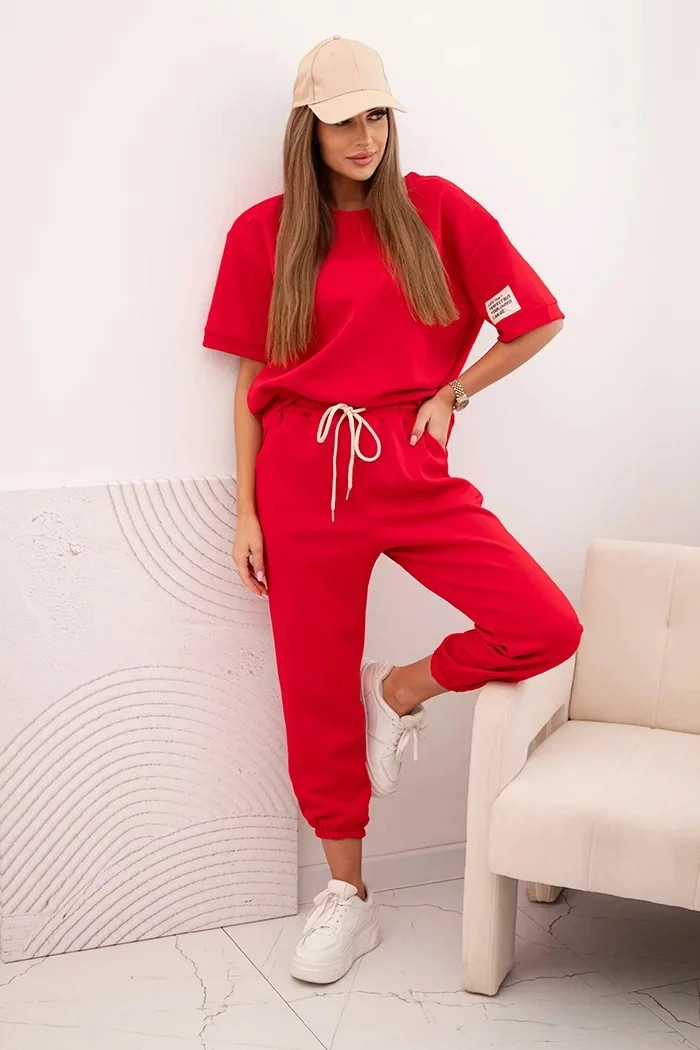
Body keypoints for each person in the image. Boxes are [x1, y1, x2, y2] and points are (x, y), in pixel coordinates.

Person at [202, 35, 583, 985]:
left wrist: (455, 392)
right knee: (313, 689)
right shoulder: (264, 233)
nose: (364, 136)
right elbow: (251, 378)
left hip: (407, 464)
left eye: (376, 115)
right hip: (303, 475)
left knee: (544, 624)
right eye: (343, 121)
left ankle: (398, 692)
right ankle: (348, 897)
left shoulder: (438, 212)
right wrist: (247, 510)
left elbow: (535, 319)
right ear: (308, 128)